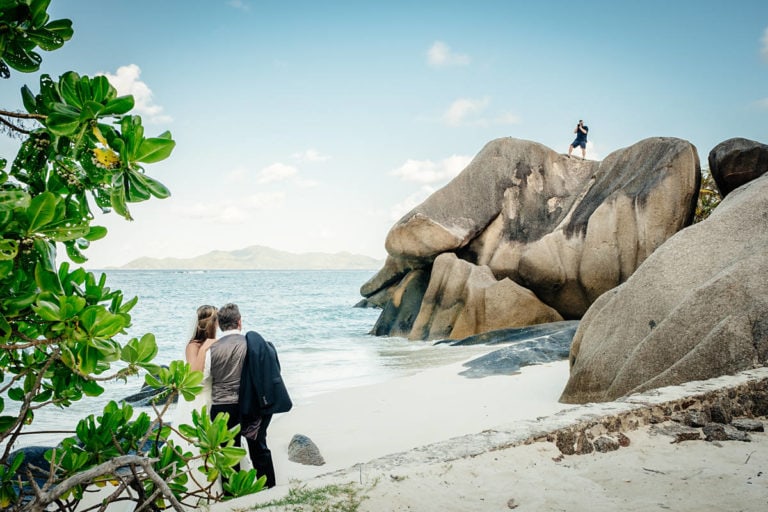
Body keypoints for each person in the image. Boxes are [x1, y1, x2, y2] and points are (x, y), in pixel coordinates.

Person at [208, 303, 291, 488]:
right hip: (251, 406)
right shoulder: (252, 345)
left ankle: (233, 494)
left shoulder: (211, 349)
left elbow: (206, 377)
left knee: (228, 453)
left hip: (222, 408)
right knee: (259, 448)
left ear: (220, 325)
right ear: (239, 322)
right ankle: (269, 488)